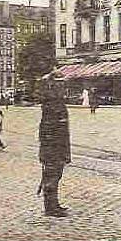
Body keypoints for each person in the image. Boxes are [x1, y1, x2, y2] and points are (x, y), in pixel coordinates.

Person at [38, 75, 71, 217]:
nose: (63, 88)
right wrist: (50, 148)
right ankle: (50, 208)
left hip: (59, 146)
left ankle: (54, 203)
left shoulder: (58, 103)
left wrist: (66, 151)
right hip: (52, 147)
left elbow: (64, 130)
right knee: (51, 177)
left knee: (56, 176)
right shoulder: (51, 104)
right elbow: (45, 130)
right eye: (60, 85)